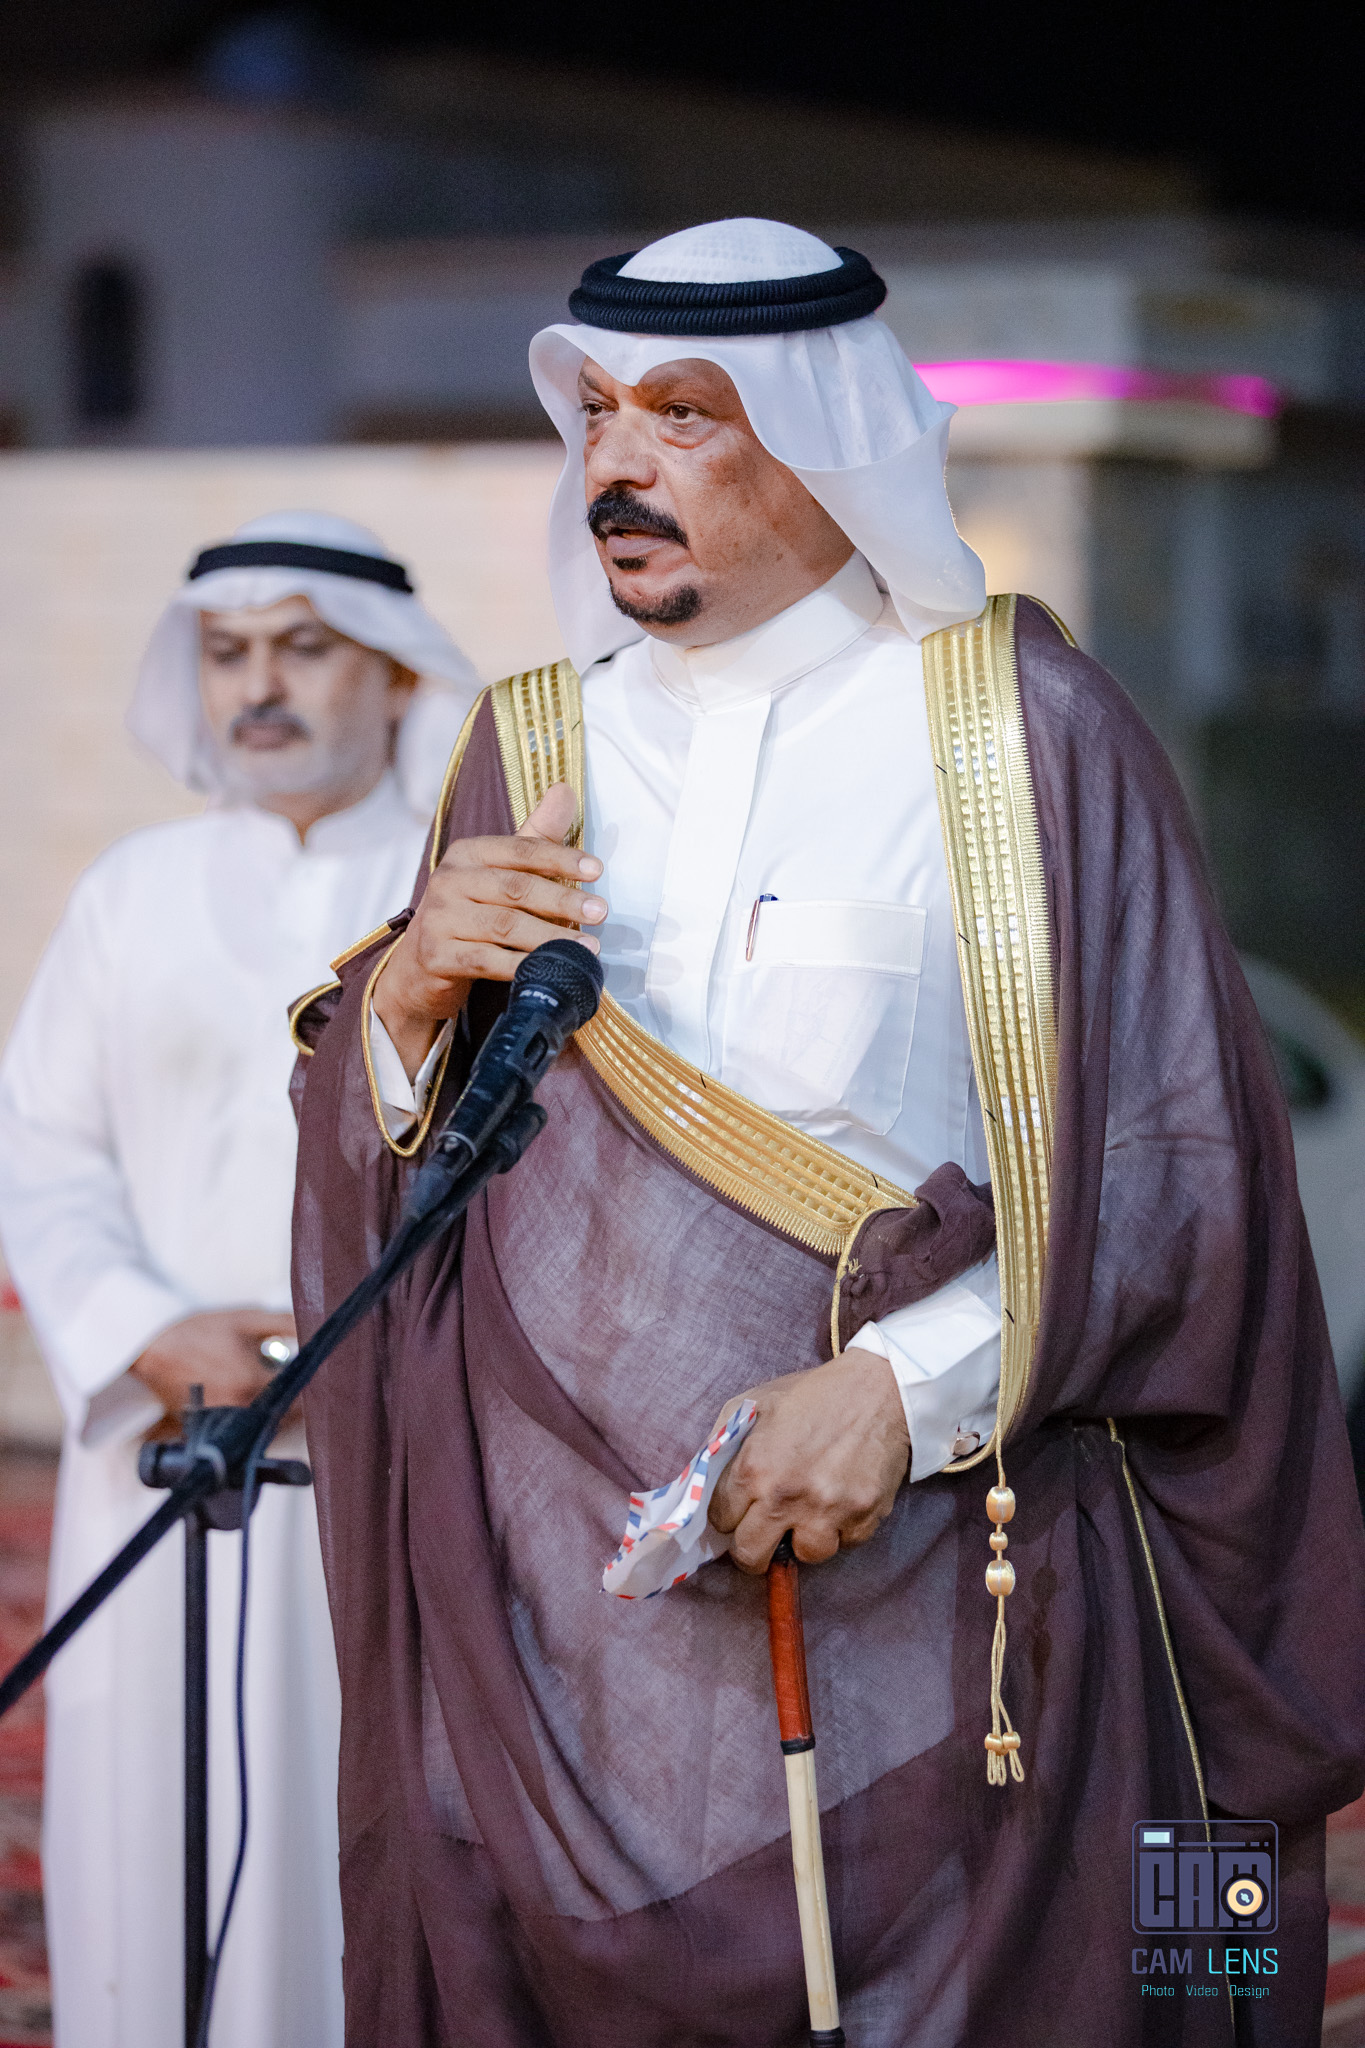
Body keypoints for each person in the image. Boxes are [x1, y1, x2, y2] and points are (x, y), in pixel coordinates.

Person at [290, 224, 1365, 2045]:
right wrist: (396, 1012)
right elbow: (424, 1184)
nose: (616, 463)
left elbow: (1175, 1180)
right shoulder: (529, 749)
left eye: (682, 416)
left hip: (937, 1613)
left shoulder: (1022, 736)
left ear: (820, 439)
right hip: (554, 1647)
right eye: (595, 413)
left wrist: (906, 1387)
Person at [0, 511, 479, 2048]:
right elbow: (39, 1150)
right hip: (169, 1440)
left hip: (391, 1445)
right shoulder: (131, 890)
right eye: (227, 654)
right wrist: (148, 1333)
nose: (259, 687)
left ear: (394, 674)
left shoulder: (461, 896)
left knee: (368, 1823)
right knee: (149, 1820)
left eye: (302, 648)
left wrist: (367, 1349)